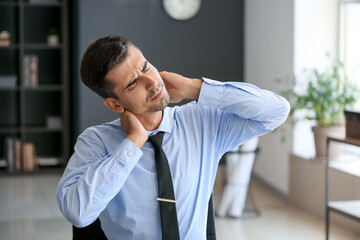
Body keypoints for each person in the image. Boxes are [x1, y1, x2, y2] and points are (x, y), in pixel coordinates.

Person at [56, 35, 290, 240]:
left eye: (146, 67)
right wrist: (134, 141)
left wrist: (195, 88)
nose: (151, 82)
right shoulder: (96, 141)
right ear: (114, 103)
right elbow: (78, 212)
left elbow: (277, 111)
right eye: (134, 83)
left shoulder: (201, 121)